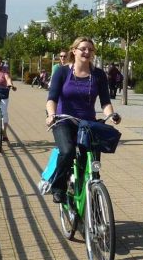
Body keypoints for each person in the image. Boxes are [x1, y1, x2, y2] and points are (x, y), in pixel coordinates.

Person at [46, 37, 121, 204]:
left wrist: (112, 115)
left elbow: (105, 102)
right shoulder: (62, 72)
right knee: (68, 151)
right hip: (64, 120)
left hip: (87, 124)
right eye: (83, 49)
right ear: (74, 51)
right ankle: (58, 187)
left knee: (92, 160)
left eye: (90, 49)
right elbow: (52, 99)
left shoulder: (98, 75)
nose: (87, 52)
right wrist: (51, 115)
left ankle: (92, 199)